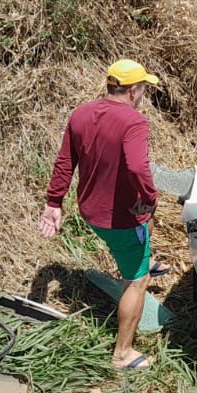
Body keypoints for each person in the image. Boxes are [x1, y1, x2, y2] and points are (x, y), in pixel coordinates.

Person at [40, 59, 161, 370]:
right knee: (137, 279)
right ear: (134, 91)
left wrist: (54, 202)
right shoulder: (134, 122)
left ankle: (140, 256)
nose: (144, 93)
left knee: (135, 251)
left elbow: (65, 162)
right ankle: (123, 354)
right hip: (120, 217)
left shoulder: (81, 113)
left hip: (90, 210)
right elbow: (136, 166)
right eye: (144, 88)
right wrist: (149, 199)